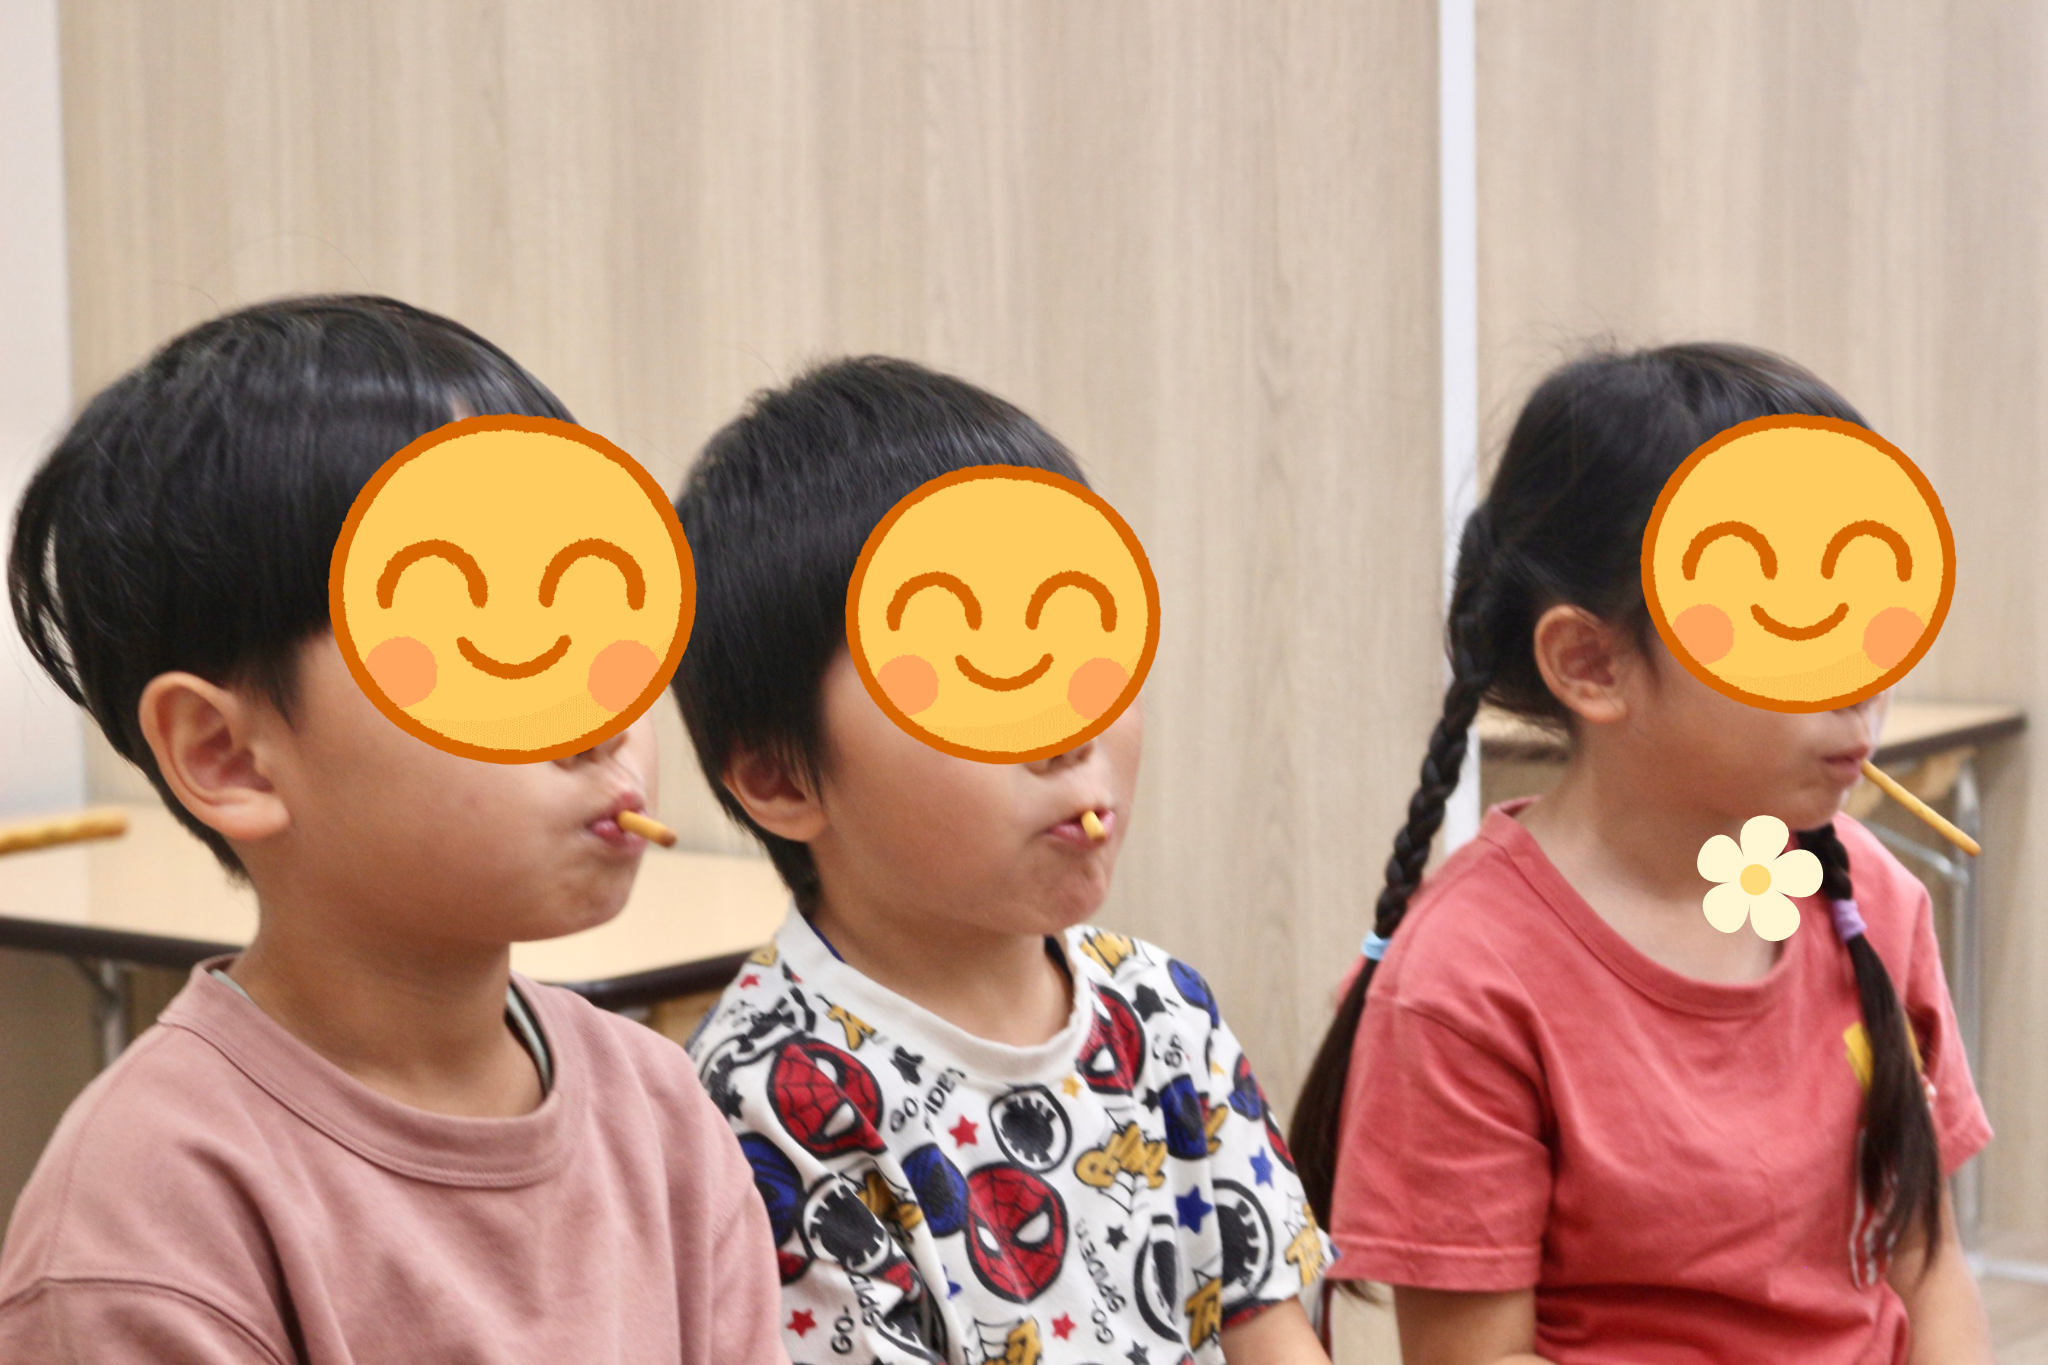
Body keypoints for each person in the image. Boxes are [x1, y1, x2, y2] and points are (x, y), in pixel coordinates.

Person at [0, 296, 788, 1365]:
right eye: (486, 638)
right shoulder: (149, 1214)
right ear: (229, 756)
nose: (602, 717)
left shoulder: (660, 1110)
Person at [1287, 344, 1996, 1365]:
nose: (1861, 684)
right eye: (1788, 621)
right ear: (1591, 663)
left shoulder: (1872, 897)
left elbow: (1927, 1263)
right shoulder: (1463, 981)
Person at [672, 356, 1333, 1364]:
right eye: (970, 670)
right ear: (780, 779)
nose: (1068, 728)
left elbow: (1268, 1334)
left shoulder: (1163, 1013)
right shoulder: (770, 1105)